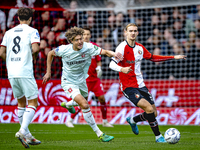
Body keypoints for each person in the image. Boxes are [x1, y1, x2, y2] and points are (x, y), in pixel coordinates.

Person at [42, 27, 123, 142]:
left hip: (82, 81)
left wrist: (114, 53)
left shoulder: (88, 47)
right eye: (76, 40)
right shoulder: (64, 49)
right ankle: (100, 133)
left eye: (81, 39)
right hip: (68, 82)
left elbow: (104, 52)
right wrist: (48, 71)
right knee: (85, 105)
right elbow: (50, 53)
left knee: (82, 101)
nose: (80, 41)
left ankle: (69, 105)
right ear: (71, 41)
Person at [109, 23, 186, 143]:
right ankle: (158, 137)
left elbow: (153, 57)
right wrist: (122, 69)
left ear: (138, 33)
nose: (133, 33)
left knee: (153, 113)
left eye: (135, 31)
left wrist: (173, 57)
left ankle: (133, 120)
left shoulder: (140, 48)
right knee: (149, 109)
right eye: (130, 31)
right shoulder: (121, 48)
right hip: (128, 87)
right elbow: (111, 64)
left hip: (141, 85)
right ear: (126, 32)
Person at [0, 7, 41, 148]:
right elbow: (35, 49)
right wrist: (34, 57)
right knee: (33, 103)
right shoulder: (32, 31)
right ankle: (22, 131)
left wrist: (10, 62)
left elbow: (1, 52)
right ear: (30, 18)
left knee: (21, 103)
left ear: (18, 18)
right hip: (25, 70)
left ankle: (28, 136)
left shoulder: (8, 32)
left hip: (11, 72)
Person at [66, 27, 113, 128]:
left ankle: (104, 121)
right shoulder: (77, 48)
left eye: (88, 34)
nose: (86, 36)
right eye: (84, 34)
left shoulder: (94, 46)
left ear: (90, 35)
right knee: (83, 102)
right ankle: (70, 119)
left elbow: (98, 59)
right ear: (81, 36)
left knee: (102, 98)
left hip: (95, 79)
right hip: (84, 80)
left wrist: (99, 67)